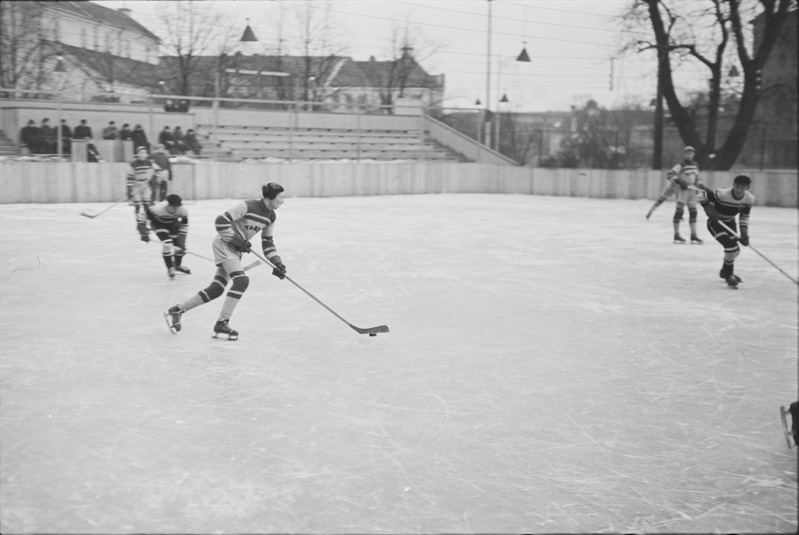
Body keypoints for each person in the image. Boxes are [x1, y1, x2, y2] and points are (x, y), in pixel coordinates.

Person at [164, 183, 288, 340]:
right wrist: (237, 240)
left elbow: (268, 242)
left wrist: (277, 263)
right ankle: (222, 322)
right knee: (242, 281)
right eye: (281, 197)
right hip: (224, 244)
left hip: (235, 250)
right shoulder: (247, 206)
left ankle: (177, 310)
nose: (283, 201)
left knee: (217, 289)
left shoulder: (271, 216)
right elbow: (221, 222)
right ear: (270, 197)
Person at [698, 174, 755, 288]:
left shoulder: (749, 199)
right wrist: (709, 209)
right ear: (733, 185)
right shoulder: (722, 194)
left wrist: (744, 233)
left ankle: (725, 271)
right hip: (715, 223)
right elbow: (701, 196)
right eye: (737, 187)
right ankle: (729, 275)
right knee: (731, 247)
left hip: (730, 223)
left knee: (735, 251)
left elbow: (744, 217)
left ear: (747, 188)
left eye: (742, 188)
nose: (739, 190)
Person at [646, 146, 702, 244]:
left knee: (693, 212)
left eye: (691, 153)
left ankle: (693, 235)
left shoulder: (696, 165)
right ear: (684, 154)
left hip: (692, 192)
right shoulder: (681, 165)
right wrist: (680, 182)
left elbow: (697, 178)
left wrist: (699, 185)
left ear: (694, 154)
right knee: (679, 212)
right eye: (687, 153)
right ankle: (676, 234)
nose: (689, 155)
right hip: (683, 191)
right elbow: (669, 175)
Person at [146, 194, 190, 279]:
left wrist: (182, 243)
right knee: (167, 243)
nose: (175, 209)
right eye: (173, 207)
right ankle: (170, 268)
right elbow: (144, 214)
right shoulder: (158, 209)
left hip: (172, 224)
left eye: (177, 207)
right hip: (158, 223)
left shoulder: (183, 210)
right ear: (168, 205)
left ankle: (177, 265)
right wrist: (143, 230)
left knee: (178, 247)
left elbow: (184, 227)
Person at [126, 146, 162, 243]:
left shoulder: (149, 163)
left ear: (146, 154)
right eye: (140, 153)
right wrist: (129, 190)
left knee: (147, 206)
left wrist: (153, 179)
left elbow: (158, 170)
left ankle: (147, 224)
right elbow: (129, 177)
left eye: (144, 153)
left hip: (146, 185)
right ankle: (139, 225)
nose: (142, 155)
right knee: (137, 206)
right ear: (137, 154)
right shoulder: (133, 164)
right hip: (137, 185)